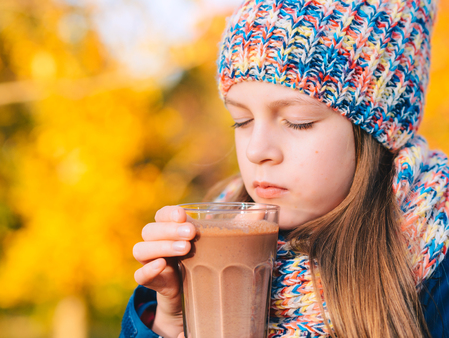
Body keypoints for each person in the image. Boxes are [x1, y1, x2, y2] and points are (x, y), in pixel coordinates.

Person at [120, 0, 449, 337]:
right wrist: (167, 324)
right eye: (242, 121)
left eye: (297, 123)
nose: (256, 150)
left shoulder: (437, 264)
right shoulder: (206, 244)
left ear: (378, 132)